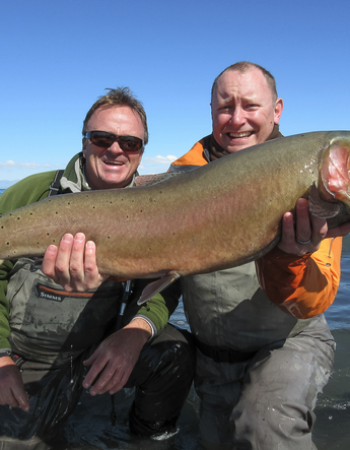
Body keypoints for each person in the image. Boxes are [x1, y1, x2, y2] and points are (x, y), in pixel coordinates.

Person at [0, 87, 195, 449]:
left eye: (130, 143)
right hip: (26, 358)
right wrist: (0, 358)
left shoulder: (157, 207)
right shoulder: (32, 194)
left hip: (96, 352)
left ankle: (148, 438)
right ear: (85, 142)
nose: (116, 149)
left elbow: (166, 284)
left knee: (176, 353)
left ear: (141, 151)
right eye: (102, 138)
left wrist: (134, 334)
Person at [169, 62, 349, 449]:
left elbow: (315, 301)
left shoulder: (314, 183)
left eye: (250, 105)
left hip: (289, 344)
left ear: (277, 110)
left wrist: (290, 257)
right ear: (211, 111)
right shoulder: (180, 175)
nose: (237, 120)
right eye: (225, 107)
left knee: (264, 427)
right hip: (213, 359)